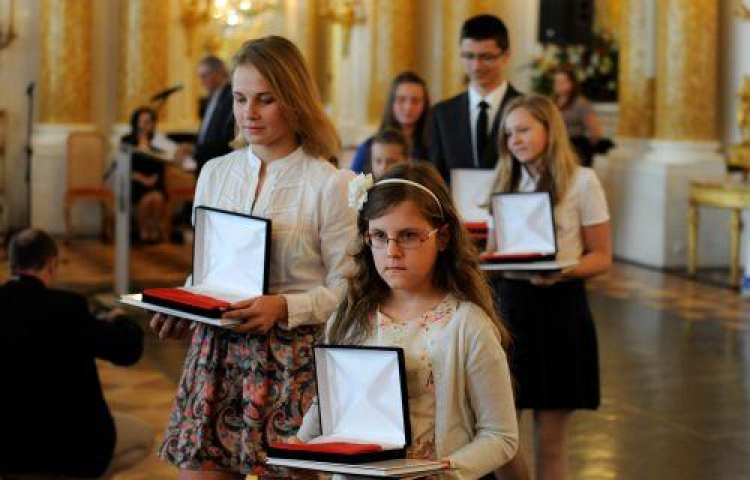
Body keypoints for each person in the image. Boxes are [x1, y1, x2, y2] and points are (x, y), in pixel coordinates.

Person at [149, 36, 357, 478]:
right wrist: (183, 306)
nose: (250, 113)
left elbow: (350, 288)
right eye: (240, 99)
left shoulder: (329, 183)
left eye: (266, 100)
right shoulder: (215, 172)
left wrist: (284, 305)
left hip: (291, 360)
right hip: (216, 354)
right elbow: (206, 269)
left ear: (295, 100)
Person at [291, 163, 519, 479]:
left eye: (408, 236)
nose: (392, 251)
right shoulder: (350, 317)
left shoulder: (467, 326)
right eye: (380, 236)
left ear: (442, 237)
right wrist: (300, 447)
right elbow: (327, 407)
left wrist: (444, 471)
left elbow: (500, 436)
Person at [489, 95, 612, 480]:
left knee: (553, 439)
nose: (515, 140)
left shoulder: (582, 181)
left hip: (561, 307)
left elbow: (602, 256)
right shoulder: (505, 179)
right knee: (502, 436)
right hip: (512, 307)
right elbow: (494, 250)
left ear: (549, 129)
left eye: (524, 130)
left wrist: (565, 269)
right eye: (509, 133)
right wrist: (487, 260)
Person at [0, 229, 152, 478]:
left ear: (11, 264)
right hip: (70, 448)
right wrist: (120, 320)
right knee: (142, 438)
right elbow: (128, 350)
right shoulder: (69, 307)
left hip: (8, 449)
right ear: (51, 264)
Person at [429, 14, 522, 184]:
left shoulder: (527, 109)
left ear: (506, 55)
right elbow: (434, 176)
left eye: (486, 57)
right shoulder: (441, 114)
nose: (476, 66)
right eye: (469, 56)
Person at [350, 71, 430, 173]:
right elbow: (352, 184)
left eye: (415, 101)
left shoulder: (433, 147)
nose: (408, 107)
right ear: (392, 102)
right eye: (401, 99)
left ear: (425, 105)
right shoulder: (369, 147)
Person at [121, 106, 170, 243]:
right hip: (135, 183)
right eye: (142, 121)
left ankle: (153, 230)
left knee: (157, 198)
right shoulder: (127, 141)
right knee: (149, 199)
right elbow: (125, 167)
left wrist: (152, 179)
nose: (145, 125)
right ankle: (144, 231)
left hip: (154, 183)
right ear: (136, 123)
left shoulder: (156, 143)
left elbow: (160, 167)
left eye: (148, 122)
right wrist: (141, 179)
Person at [551, 67, 604, 167]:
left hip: (576, 147)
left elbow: (596, 130)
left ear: (572, 83)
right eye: (557, 82)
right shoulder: (552, 103)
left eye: (563, 81)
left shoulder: (581, 103)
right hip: (557, 146)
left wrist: (588, 148)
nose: (559, 85)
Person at [194, 55, 235, 177]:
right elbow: (206, 131)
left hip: (220, 164)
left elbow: (226, 136)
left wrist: (195, 151)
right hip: (204, 161)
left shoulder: (231, 97)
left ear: (219, 73)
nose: (201, 82)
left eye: (204, 76)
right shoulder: (210, 97)